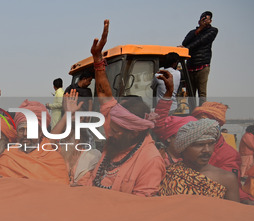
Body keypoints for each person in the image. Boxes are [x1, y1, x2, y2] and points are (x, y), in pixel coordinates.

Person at [76, 20, 165, 196]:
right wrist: (97, 61)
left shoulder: (150, 161)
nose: (109, 133)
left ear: (134, 133)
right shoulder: (118, 129)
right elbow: (104, 94)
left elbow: (139, 209)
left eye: (116, 131)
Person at [160, 119, 239, 201]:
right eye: (200, 145)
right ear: (184, 148)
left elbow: (233, 212)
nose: (207, 150)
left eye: (211, 143)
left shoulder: (227, 179)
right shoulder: (169, 173)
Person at [181, 11, 218, 105]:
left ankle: (201, 115)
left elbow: (201, 41)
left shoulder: (213, 31)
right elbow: (185, 42)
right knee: (191, 93)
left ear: (210, 21)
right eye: (203, 19)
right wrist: (199, 29)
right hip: (190, 65)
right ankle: (192, 113)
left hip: (203, 65)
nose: (205, 21)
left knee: (202, 93)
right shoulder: (193, 32)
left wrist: (186, 49)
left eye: (207, 19)